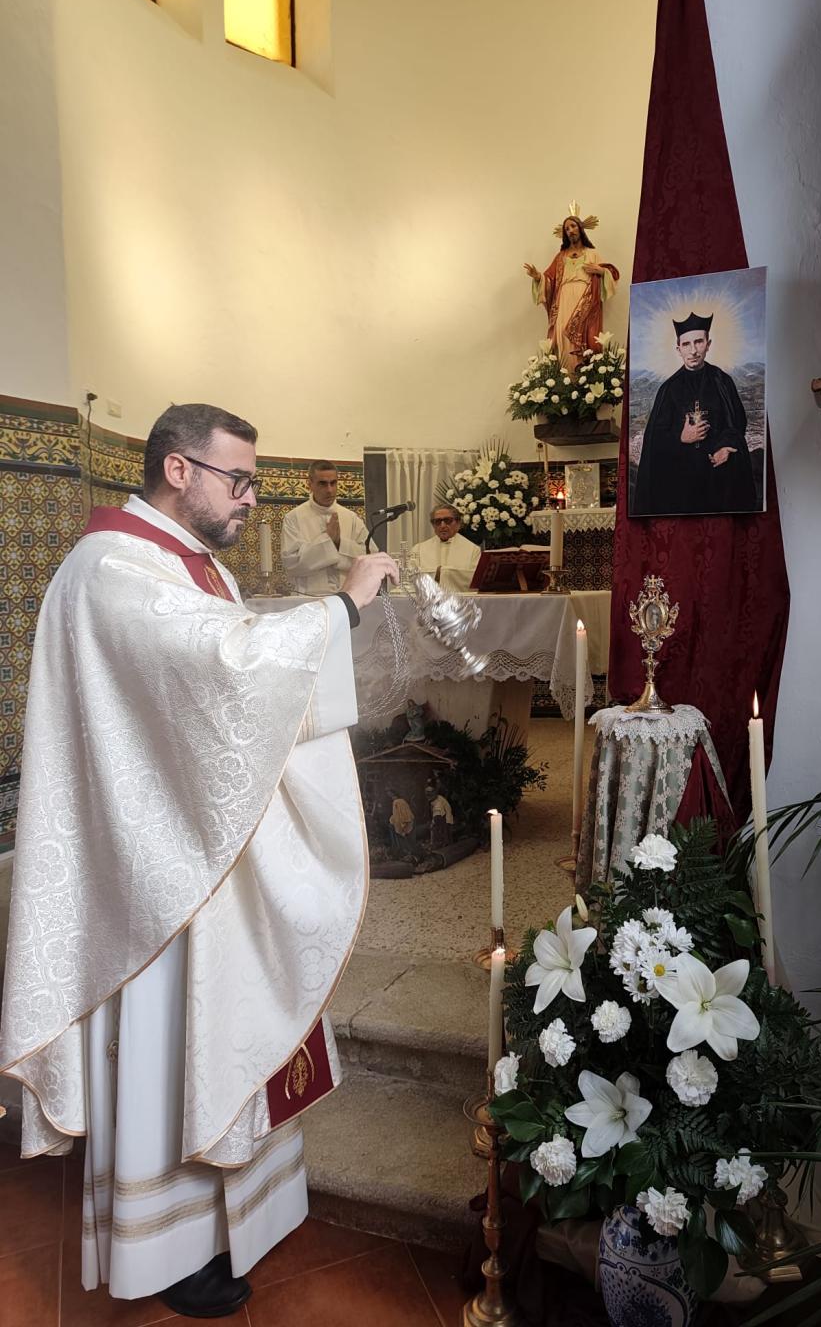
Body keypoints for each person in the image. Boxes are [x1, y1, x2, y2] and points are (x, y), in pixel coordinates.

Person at [0, 404, 397, 1318]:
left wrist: (317, 622)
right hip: (155, 877)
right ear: (178, 470)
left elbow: (233, 663)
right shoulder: (110, 567)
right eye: (240, 479)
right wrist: (342, 608)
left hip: (196, 846)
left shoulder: (183, 557)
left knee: (221, 1032)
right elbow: (222, 665)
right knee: (169, 1043)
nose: (253, 498)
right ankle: (168, 1251)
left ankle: (232, 1219)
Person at [632, 313, 756, 517]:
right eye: (686, 344)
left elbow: (737, 423)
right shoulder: (668, 389)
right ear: (678, 349)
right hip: (681, 486)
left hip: (718, 481)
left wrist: (725, 447)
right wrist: (680, 437)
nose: (693, 350)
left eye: (699, 342)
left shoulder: (722, 382)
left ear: (708, 344)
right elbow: (654, 439)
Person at [524, 209, 619, 374]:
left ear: (580, 228)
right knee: (562, 335)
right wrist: (538, 277)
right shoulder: (560, 257)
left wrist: (600, 270)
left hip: (585, 298)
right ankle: (566, 377)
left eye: (573, 226)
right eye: (567, 229)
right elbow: (549, 280)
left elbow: (611, 275)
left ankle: (582, 376)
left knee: (583, 334)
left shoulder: (592, 254)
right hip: (563, 299)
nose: (570, 231)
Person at [280, 459, 369, 594]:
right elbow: (291, 563)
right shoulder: (293, 518)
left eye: (333, 483)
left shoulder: (351, 518)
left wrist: (339, 543)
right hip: (308, 599)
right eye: (323, 483)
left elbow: (368, 558)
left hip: (347, 598)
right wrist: (328, 541)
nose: (329, 490)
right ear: (309, 484)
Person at [412, 505, 481, 593]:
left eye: (447, 520)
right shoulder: (418, 549)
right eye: (438, 521)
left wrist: (445, 573)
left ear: (458, 523)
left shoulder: (473, 550)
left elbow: (475, 582)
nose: (443, 525)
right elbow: (410, 578)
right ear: (433, 525)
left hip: (460, 602)